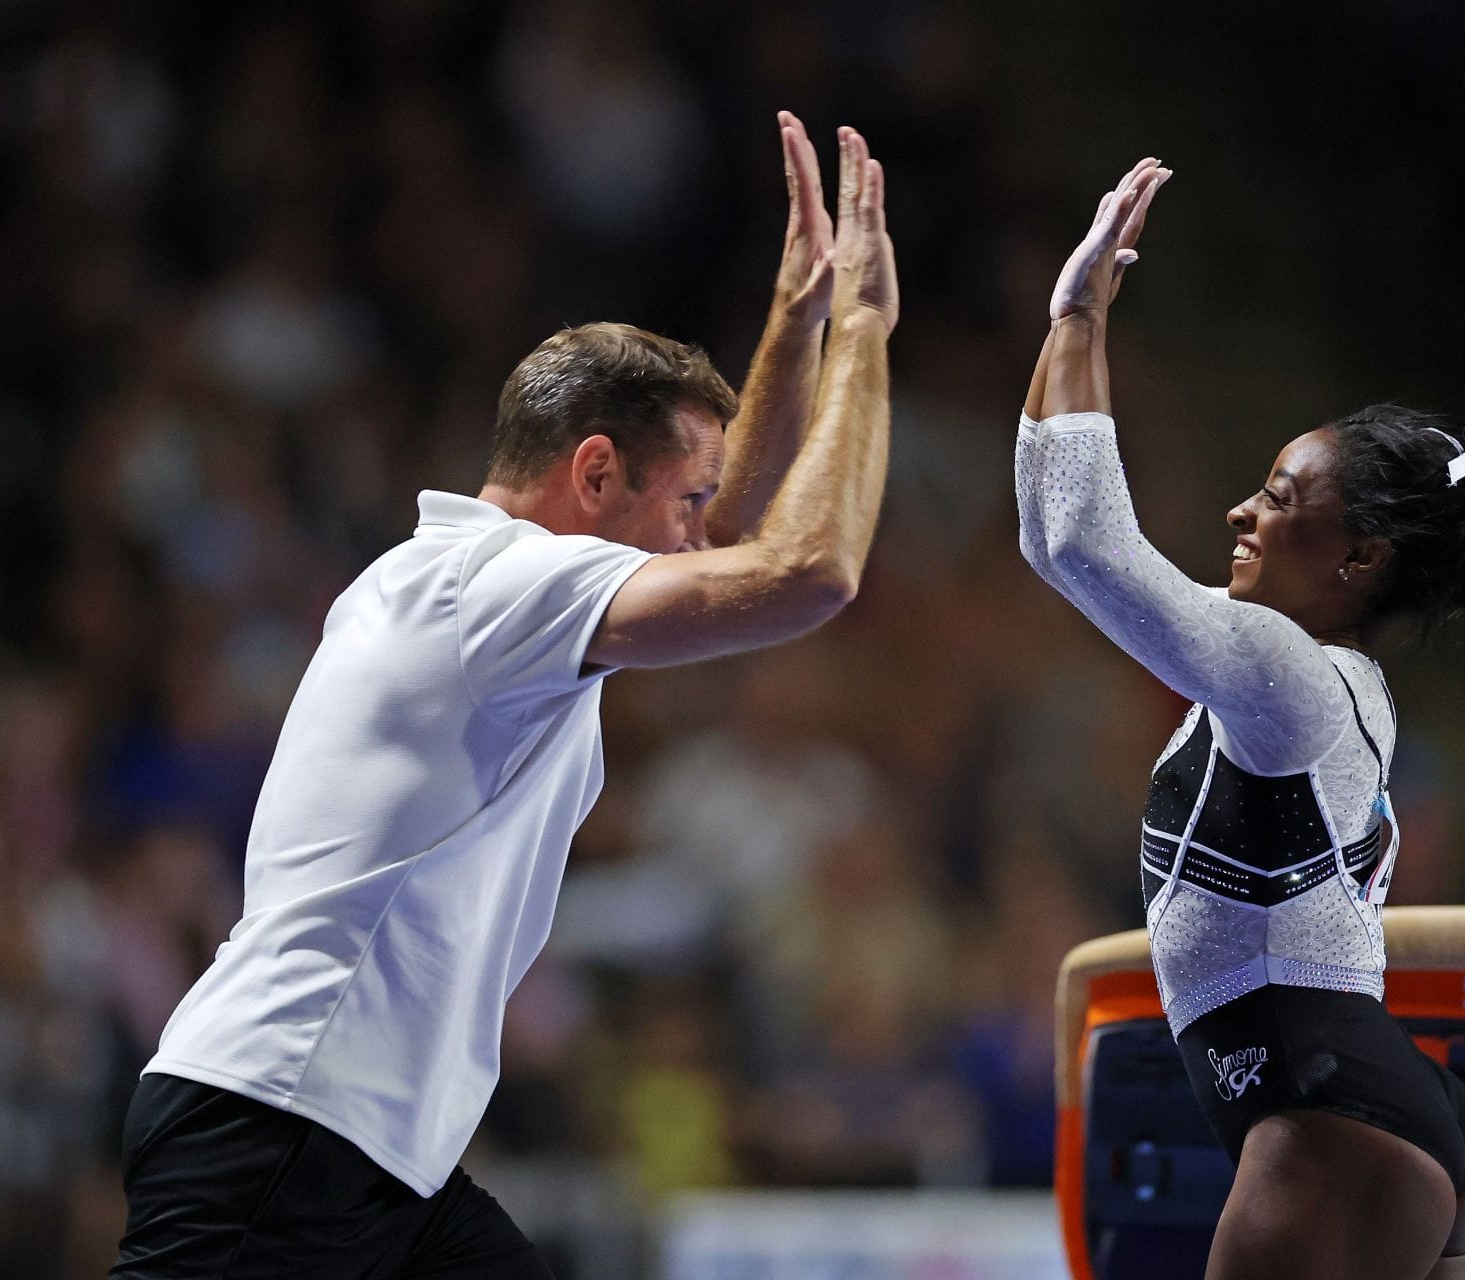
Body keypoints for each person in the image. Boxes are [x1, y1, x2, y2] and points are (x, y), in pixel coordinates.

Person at [108, 113, 898, 1280]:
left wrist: (799, 315)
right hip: (278, 1127)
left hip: (377, 1157)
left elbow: (738, 538)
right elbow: (807, 569)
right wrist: (869, 333)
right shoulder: (496, 585)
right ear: (592, 472)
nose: (693, 537)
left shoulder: (468, 583)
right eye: (679, 497)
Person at [1015, 160, 1465, 1280]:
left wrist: (1077, 317)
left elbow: (1082, 542)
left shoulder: (1286, 677)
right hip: (1378, 1114)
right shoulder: (1303, 680)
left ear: (1359, 556)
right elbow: (1050, 536)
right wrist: (1075, 336)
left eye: (1281, 496)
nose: (1241, 510)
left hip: (1327, 1119)